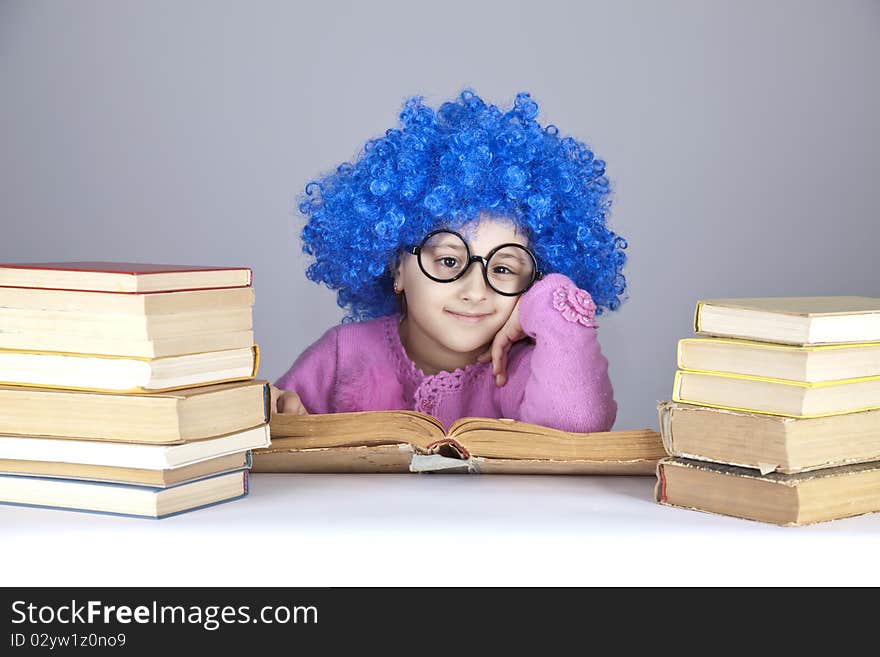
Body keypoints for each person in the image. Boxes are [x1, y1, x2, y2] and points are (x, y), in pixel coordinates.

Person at [272, 90, 627, 433]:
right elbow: (274, 429)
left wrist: (549, 299)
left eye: (503, 269)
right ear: (397, 268)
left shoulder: (522, 368)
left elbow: (576, 424)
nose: (475, 291)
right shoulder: (342, 354)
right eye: (447, 261)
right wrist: (276, 414)